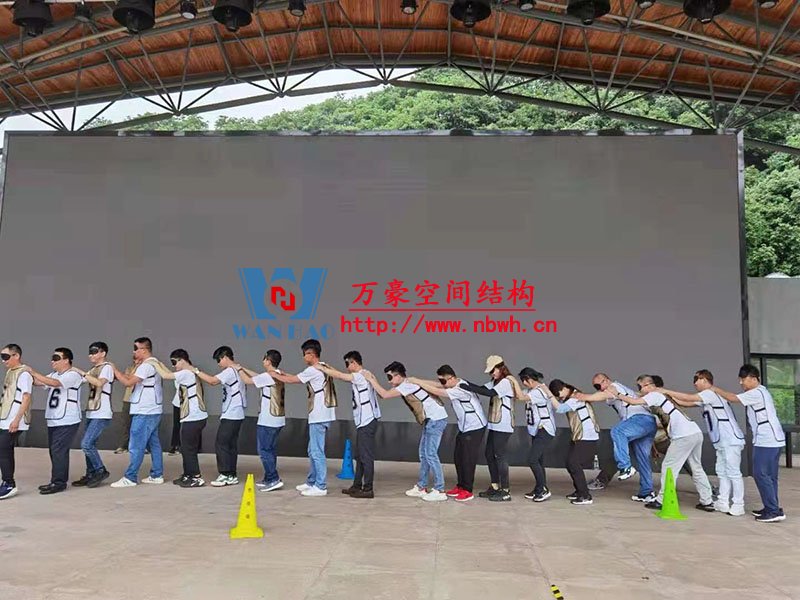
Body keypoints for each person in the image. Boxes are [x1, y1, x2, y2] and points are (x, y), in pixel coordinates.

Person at [609, 375, 714, 512]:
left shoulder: (654, 395)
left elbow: (633, 402)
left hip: (682, 435)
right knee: (696, 468)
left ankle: (662, 500)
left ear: (647, 385)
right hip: (694, 432)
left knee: (668, 467)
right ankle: (707, 501)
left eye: (640, 387)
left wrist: (617, 393)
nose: (639, 390)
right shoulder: (662, 395)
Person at [659, 369, 745, 516]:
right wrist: (667, 397)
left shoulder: (710, 393)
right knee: (722, 472)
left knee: (733, 473)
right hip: (721, 440)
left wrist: (665, 390)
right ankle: (723, 502)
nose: (695, 383)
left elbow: (689, 397)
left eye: (697, 380)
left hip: (730, 439)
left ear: (705, 380)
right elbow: (685, 402)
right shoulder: (707, 397)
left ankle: (738, 504)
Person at [364, 361, 449, 503]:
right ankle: (422, 486)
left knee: (430, 454)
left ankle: (440, 490)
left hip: (436, 420)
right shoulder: (409, 382)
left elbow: (384, 395)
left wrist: (371, 379)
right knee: (424, 454)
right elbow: (435, 384)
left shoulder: (406, 385)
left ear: (398, 376)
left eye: (390, 377)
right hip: (431, 420)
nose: (389, 381)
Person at [712, 364, 786, 523]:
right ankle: (772, 507)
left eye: (743, 379)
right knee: (770, 477)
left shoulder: (757, 392)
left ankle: (773, 510)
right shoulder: (761, 391)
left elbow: (733, 398)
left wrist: (713, 388)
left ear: (753, 378)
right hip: (772, 439)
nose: (741, 383)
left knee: (761, 474)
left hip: (767, 440)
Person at [270, 339, 337, 497]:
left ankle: (320, 485)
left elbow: (292, 380)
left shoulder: (313, 370)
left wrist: (273, 374)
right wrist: (283, 374)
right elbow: (297, 377)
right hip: (323, 413)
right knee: (312, 450)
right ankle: (312, 481)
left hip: (319, 414)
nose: (303, 357)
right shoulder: (324, 366)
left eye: (305, 354)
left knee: (317, 451)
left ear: (311, 354)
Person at [575, 373, 657, 502]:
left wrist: (582, 396)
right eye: (596, 386)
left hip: (640, 420)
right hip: (648, 423)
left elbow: (601, 396)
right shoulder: (618, 388)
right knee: (643, 458)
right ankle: (647, 492)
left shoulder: (614, 387)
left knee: (618, 432)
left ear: (607, 380)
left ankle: (626, 467)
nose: (600, 388)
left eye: (600, 384)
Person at [411, 365, 487, 503]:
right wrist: (417, 380)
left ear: (452, 378)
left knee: (468, 460)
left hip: (475, 428)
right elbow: (436, 385)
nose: (442, 384)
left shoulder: (460, 389)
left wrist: (417, 382)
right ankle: (461, 485)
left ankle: (467, 490)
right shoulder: (455, 383)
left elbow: (437, 391)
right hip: (464, 428)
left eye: (444, 381)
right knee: (458, 457)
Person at [318, 351, 381, 499]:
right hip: (364, 421)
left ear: (354, 362)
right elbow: (341, 374)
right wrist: (328, 367)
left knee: (366, 456)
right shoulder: (365, 374)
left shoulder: (360, 376)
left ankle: (368, 488)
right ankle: (357, 485)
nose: (346, 367)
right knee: (359, 455)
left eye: (347, 363)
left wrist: (323, 369)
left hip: (367, 420)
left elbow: (341, 376)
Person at [459, 355, 518, 502]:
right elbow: (482, 388)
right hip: (494, 424)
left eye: (493, 371)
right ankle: (495, 486)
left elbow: (489, 393)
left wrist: (466, 386)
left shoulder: (506, 382)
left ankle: (505, 490)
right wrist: (463, 382)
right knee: (489, 454)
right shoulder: (495, 381)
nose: (491, 374)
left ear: (500, 368)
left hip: (503, 425)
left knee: (500, 456)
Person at [110, 337, 165, 488]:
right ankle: (157, 474)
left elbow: (128, 383)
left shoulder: (146, 366)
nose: (134, 352)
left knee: (136, 445)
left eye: (136, 348)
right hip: (152, 410)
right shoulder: (154, 364)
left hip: (144, 411)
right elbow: (131, 378)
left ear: (144, 350)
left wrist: (114, 369)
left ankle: (130, 477)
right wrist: (119, 375)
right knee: (154, 443)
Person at [28, 348, 84, 495]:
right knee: (54, 451)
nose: (52, 361)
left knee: (59, 450)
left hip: (67, 419)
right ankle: (56, 480)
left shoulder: (73, 374)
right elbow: (39, 382)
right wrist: (25, 374)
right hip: (54, 419)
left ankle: (59, 482)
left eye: (56, 358)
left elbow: (55, 383)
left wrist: (34, 372)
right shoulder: (53, 374)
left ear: (66, 360)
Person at [152, 350, 208, 488]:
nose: (173, 366)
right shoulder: (187, 372)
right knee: (185, 447)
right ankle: (188, 474)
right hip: (191, 416)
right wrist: (159, 363)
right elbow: (169, 374)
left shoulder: (187, 373)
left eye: (174, 362)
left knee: (189, 449)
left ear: (182, 360)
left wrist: (153, 362)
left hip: (193, 417)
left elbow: (165, 375)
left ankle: (196, 477)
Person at [195, 346, 247, 487]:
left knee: (221, 443)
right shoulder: (238, 370)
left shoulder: (230, 371)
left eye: (219, 360)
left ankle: (225, 474)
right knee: (230, 445)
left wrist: (196, 371)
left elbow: (212, 381)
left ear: (225, 357)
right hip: (237, 413)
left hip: (231, 412)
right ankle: (231, 474)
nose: (218, 363)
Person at [237, 349, 286, 493]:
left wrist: (238, 370)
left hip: (268, 420)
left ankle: (273, 478)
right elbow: (258, 377)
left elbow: (247, 381)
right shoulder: (277, 374)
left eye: (264, 359)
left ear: (268, 361)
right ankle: (268, 477)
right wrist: (243, 368)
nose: (263, 361)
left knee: (264, 450)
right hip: (277, 419)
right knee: (270, 449)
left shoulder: (268, 376)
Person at [72, 342, 115, 488]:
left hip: (101, 412)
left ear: (103, 353)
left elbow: (99, 383)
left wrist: (81, 372)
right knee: (90, 444)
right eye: (90, 352)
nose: (91, 355)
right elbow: (79, 381)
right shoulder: (93, 369)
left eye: (95, 352)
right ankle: (91, 473)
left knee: (86, 444)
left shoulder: (107, 368)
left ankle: (100, 470)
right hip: (91, 411)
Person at [550, 379, 599, 505]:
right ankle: (579, 491)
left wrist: (548, 393)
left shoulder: (576, 397)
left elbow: (560, 409)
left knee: (574, 463)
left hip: (587, 436)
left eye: (559, 395)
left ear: (563, 389)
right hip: (578, 436)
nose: (559, 398)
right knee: (569, 462)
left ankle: (585, 495)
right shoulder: (571, 397)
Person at [516, 367, 557, 502]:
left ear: (529, 379)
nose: (523, 383)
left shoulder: (539, 391)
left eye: (523, 380)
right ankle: (539, 488)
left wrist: (512, 381)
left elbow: (521, 397)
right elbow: (518, 394)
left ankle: (543, 489)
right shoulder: (531, 390)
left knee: (532, 459)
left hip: (544, 428)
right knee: (539, 460)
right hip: (536, 429)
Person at [0, 344, 33, 500]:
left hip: (14, 419)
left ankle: (9, 484)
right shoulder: (10, 372)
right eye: (2, 357)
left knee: (3, 448)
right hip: (5, 418)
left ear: (16, 356)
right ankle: (7, 482)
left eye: (6, 357)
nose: (3, 360)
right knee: (5, 450)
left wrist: (17, 420)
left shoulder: (24, 374)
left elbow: (26, 397)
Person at [114, 355, 141, 454]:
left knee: (139, 425)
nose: (138, 361)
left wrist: (123, 376)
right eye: (136, 359)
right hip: (128, 399)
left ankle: (140, 446)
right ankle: (124, 445)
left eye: (140, 359)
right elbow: (128, 379)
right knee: (126, 423)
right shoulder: (129, 369)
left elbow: (134, 379)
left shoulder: (145, 369)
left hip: (139, 400)